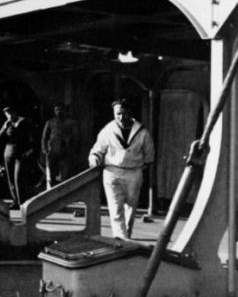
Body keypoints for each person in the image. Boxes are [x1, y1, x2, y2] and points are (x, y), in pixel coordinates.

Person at [88, 99, 156, 239]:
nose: (121, 117)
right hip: (112, 172)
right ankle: (120, 239)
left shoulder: (142, 132)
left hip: (134, 173)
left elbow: (149, 156)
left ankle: (126, 237)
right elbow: (97, 150)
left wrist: (136, 167)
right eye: (118, 114)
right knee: (115, 208)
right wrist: (94, 160)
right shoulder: (108, 130)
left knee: (130, 208)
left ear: (130, 113)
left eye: (124, 114)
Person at [0, 105, 35, 208]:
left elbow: (33, 139)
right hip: (8, 153)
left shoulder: (25, 122)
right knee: (10, 178)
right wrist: (4, 127)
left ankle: (23, 202)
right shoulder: (7, 124)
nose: (10, 116)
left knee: (18, 178)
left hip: (21, 153)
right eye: (7, 114)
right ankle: (16, 201)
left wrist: (29, 152)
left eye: (11, 113)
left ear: (16, 112)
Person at [41, 103, 79, 188]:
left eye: (60, 109)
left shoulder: (71, 122)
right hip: (52, 151)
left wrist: (71, 148)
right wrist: (45, 150)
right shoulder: (50, 122)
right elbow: (44, 137)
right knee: (51, 175)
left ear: (65, 111)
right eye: (56, 110)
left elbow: (75, 137)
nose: (58, 112)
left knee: (65, 175)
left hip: (65, 151)